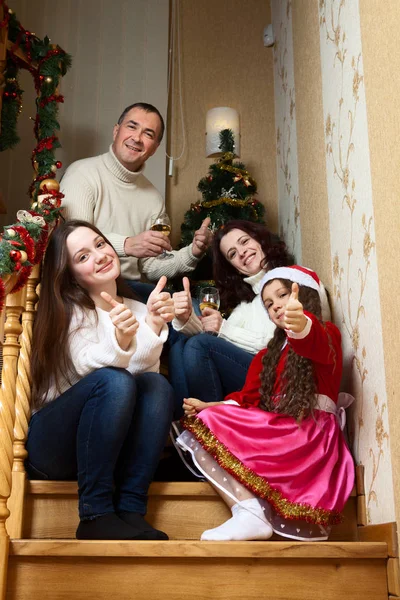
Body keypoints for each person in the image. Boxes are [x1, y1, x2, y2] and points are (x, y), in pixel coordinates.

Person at [175, 265, 355, 541]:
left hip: (308, 434)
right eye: (269, 304)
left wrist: (301, 322)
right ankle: (248, 510)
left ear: (304, 295)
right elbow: (248, 400)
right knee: (202, 423)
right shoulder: (267, 356)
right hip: (279, 428)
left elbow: (312, 341)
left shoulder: (325, 332)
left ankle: (251, 513)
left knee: (211, 425)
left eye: (283, 295)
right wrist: (211, 406)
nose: (277, 306)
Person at [26, 220, 175, 541]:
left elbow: (142, 389)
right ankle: (95, 514)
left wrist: (150, 324)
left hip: (105, 445)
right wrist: (121, 340)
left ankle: (131, 510)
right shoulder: (68, 311)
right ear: (70, 275)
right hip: (52, 446)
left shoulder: (137, 307)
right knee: (114, 381)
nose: (100, 255)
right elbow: (91, 372)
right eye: (82, 257)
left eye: (100, 244)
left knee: (157, 385)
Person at [60, 102, 212, 299]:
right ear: (116, 131)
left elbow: (151, 267)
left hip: (131, 290)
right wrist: (127, 245)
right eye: (131, 127)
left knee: (192, 312)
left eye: (148, 134)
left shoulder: (153, 199)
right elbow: (72, 242)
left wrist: (193, 252)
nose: (137, 138)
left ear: (155, 148)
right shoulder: (82, 174)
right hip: (85, 288)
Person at [169, 220, 295, 415]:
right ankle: (188, 424)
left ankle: (211, 430)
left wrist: (224, 329)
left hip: (279, 380)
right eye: (233, 254)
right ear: (234, 267)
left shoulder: (292, 281)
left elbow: (280, 347)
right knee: (179, 345)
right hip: (251, 378)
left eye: (244, 242)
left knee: (198, 345)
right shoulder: (245, 308)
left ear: (261, 240)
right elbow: (215, 336)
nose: (242, 252)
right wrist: (185, 318)